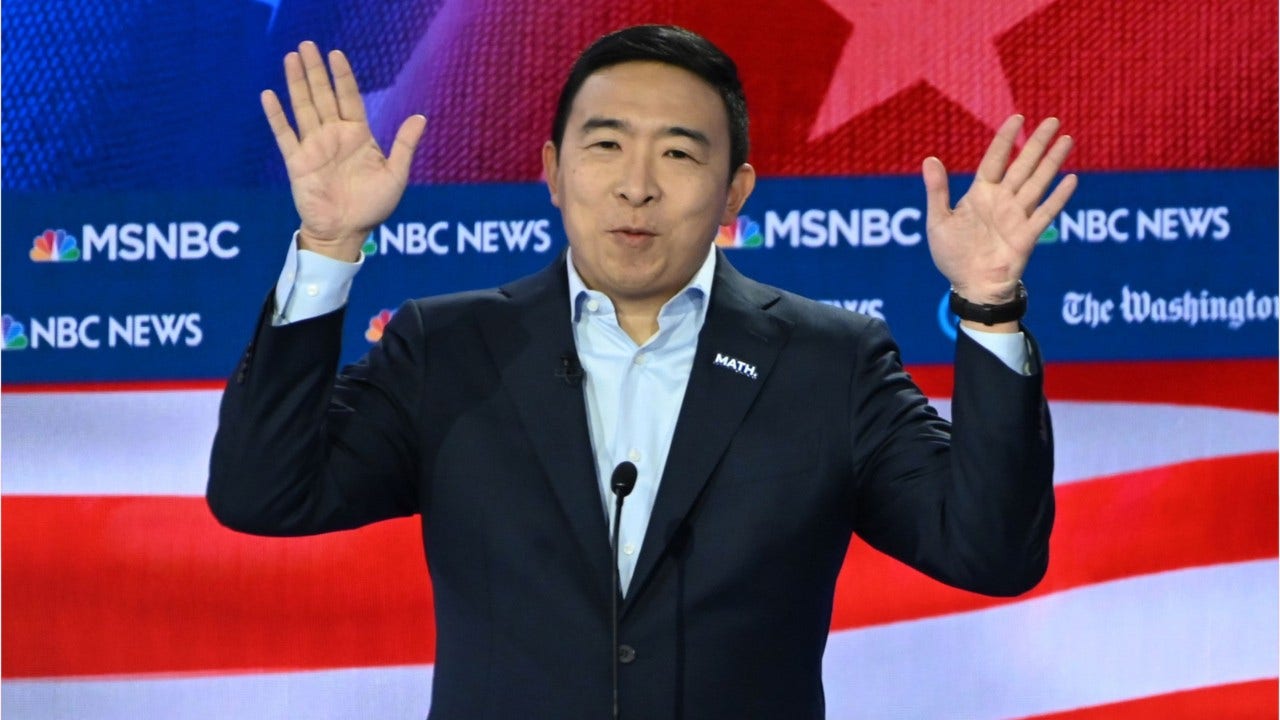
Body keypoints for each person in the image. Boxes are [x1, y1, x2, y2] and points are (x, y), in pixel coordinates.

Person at [208, 24, 1074, 719]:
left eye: (679, 154)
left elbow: (990, 553)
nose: (636, 186)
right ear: (552, 172)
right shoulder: (450, 347)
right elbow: (264, 493)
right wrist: (328, 246)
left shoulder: (830, 362)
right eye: (605, 145)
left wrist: (989, 305)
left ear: (735, 193)